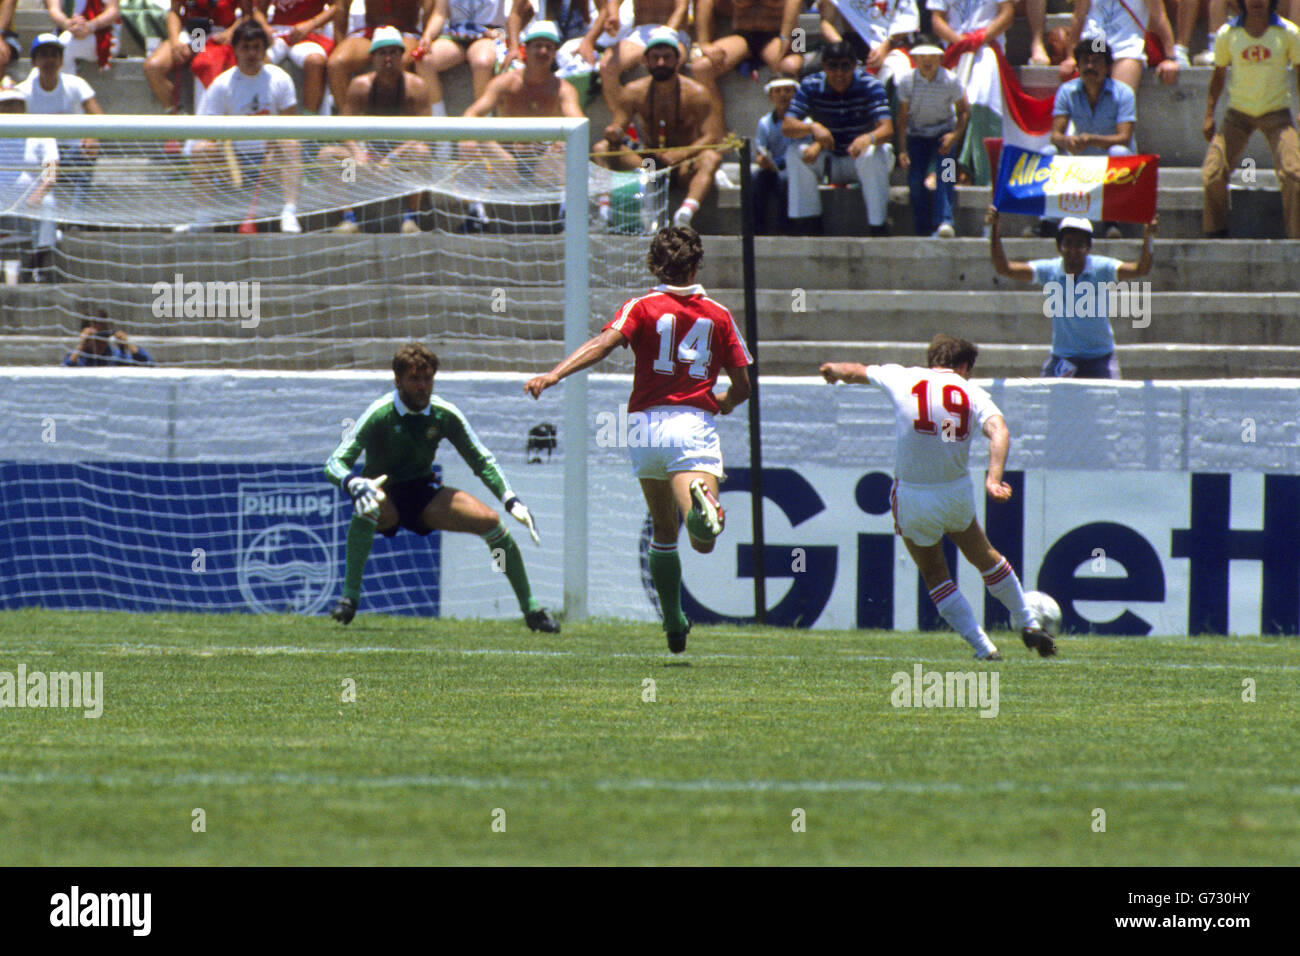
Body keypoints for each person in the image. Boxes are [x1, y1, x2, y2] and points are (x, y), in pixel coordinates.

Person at [524, 226, 751, 653]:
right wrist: (724, 402)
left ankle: (672, 617)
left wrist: (554, 374)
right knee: (703, 540)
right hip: (691, 424)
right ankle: (703, 506)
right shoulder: (719, 315)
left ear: (652, 265)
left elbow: (602, 343)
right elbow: (743, 387)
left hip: (644, 427)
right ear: (698, 265)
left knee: (663, 530)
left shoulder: (641, 306)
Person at [819, 334, 1056, 660]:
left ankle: (983, 647)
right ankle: (1027, 621)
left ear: (934, 360)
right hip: (955, 493)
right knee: (985, 557)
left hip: (913, 495)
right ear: (962, 366)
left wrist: (834, 369)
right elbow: (999, 430)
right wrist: (994, 478)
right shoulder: (972, 392)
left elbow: (856, 370)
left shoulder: (902, 376)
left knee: (935, 574)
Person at [326, 342, 561, 632]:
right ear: (397, 381)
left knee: (491, 522)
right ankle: (349, 599)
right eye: (414, 379)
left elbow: (481, 460)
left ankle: (532, 611)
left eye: (427, 379)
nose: (422, 386)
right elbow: (334, 463)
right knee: (368, 506)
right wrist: (353, 483)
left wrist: (511, 499)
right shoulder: (380, 414)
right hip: (383, 493)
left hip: (424, 494)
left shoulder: (444, 414)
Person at [987, 208, 1157, 378]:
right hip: (1062, 357)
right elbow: (1004, 268)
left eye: (1080, 245)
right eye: (1068, 243)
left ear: (1088, 248)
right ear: (1059, 247)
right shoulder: (1050, 270)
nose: (1073, 250)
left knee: (1111, 400)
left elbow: (1140, 269)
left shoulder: (1102, 268)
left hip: (1100, 358)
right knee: (1044, 401)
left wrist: (1149, 236)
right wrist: (994, 229)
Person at [599, 27, 726, 228]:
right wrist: (613, 132)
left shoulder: (696, 92)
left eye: (667, 57)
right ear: (645, 60)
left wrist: (681, 154)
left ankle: (685, 214)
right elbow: (619, 125)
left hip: (682, 165)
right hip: (648, 164)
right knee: (601, 148)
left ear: (677, 60)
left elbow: (712, 136)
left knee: (711, 158)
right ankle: (603, 211)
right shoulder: (633, 91)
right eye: (655, 57)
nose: (661, 63)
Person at [186, 19, 302, 233]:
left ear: (264, 49)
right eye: (245, 47)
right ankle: (203, 218)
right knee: (201, 150)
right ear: (235, 50)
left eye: (256, 47)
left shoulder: (281, 79)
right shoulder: (221, 84)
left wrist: (273, 148)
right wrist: (231, 163)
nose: (251, 53)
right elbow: (210, 135)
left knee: (290, 144)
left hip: (270, 162)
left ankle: (288, 213)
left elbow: (290, 127)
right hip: (233, 163)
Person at [321, 25, 436, 233]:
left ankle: (411, 217)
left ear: (402, 56)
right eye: (382, 53)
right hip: (363, 168)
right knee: (328, 156)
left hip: (400, 166)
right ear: (373, 58)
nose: (388, 58)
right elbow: (343, 130)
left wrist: (392, 158)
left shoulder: (416, 86)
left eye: (393, 52)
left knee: (422, 153)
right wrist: (358, 155)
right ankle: (349, 218)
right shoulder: (360, 86)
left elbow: (426, 135)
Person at [1201, 0, 1300, 239]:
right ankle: (1216, 234)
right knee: (1212, 173)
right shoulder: (1228, 33)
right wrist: (1208, 114)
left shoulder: (1288, 33)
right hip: (1238, 114)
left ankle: (1296, 238)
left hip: (1276, 113)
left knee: (1294, 174)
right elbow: (1218, 75)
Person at [781, 41, 894, 235]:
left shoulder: (870, 85)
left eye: (845, 66)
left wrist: (868, 138)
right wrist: (812, 128)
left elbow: (887, 129)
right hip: (829, 159)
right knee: (794, 153)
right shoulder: (811, 85)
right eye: (833, 66)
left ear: (854, 66)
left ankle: (878, 226)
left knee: (873, 154)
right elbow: (787, 126)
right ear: (824, 66)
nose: (839, 73)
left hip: (860, 159)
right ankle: (808, 223)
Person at [460, 21, 585, 182]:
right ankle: (474, 205)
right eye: (538, 45)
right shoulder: (505, 83)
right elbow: (473, 112)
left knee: (565, 146)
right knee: (477, 137)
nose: (543, 51)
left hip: (545, 160)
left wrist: (559, 143)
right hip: (505, 157)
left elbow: (579, 124)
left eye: (549, 47)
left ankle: (563, 205)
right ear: (525, 49)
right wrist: (466, 140)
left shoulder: (563, 89)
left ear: (555, 53)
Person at [927, 0, 1013, 186]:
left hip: (987, 46)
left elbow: (1007, 15)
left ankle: (971, 171)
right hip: (955, 47)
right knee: (949, 109)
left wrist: (978, 39)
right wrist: (961, 41)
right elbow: (937, 20)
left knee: (977, 100)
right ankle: (945, 172)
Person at [18, 34, 104, 209]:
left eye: (54, 55)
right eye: (43, 55)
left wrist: (93, 136)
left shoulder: (76, 84)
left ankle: (76, 217)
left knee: (89, 150)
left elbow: (98, 116)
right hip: (41, 156)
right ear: (34, 61)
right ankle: (30, 211)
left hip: (72, 152)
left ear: (61, 60)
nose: (49, 60)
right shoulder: (22, 91)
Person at [896, 36, 969, 237]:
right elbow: (902, 118)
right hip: (917, 135)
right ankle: (922, 229)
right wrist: (902, 149)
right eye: (922, 56)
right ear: (915, 59)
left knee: (947, 175)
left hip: (943, 134)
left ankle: (945, 221)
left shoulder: (951, 80)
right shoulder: (906, 82)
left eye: (932, 56)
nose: (927, 61)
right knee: (915, 180)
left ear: (940, 58)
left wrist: (954, 136)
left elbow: (964, 111)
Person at [143, 0, 257, 111]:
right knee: (153, 67)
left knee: (207, 64)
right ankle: (176, 116)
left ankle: (210, 118)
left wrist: (230, 33)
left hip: (220, 33)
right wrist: (175, 42)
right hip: (194, 31)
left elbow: (247, 15)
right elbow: (174, 12)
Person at [0, 79, 59, 283]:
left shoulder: (40, 130)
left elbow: (52, 170)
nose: (10, 108)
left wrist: (38, 194)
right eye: (5, 104)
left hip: (31, 200)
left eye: (15, 104)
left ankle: (38, 267)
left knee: (49, 203)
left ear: (23, 107)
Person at [1059, 0, 1180, 96]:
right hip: (1096, 44)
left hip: (1127, 45)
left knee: (1119, 102)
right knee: (1089, 109)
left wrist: (1170, 57)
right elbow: (1078, 17)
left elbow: (1159, 17)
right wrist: (1071, 57)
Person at [327, 0, 428, 114]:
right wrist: (340, 43)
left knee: (401, 60)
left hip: (406, 32)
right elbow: (342, 6)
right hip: (371, 31)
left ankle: (399, 118)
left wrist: (427, 37)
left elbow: (431, 8)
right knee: (336, 63)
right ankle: (346, 119)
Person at [689, 0, 803, 93]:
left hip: (781, 34)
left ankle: (791, 118)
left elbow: (796, 5)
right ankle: (711, 120)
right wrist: (703, 43)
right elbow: (704, 2)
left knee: (791, 66)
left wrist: (787, 38)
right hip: (743, 34)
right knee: (701, 68)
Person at [597, 0, 689, 110]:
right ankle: (621, 119)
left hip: (674, 30)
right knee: (607, 65)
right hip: (642, 32)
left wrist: (665, 33)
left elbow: (681, 8)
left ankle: (667, 118)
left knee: (669, 62)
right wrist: (613, 15)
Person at [259, 0, 339, 115]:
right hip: (278, 33)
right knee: (259, 61)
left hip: (310, 32)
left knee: (315, 61)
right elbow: (259, 11)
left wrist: (311, 23)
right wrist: (264, 26)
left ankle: (309, 118)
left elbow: (337, 7)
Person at [818, 0, 919, 87]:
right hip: (853, 45)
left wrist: (886, 46)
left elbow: (907, 20)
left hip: (891, 43)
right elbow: (826, 24)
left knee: (897, 71)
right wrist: (844, 50)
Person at [753, 76, 802, 234]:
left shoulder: (804, 121)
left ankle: (785, 229)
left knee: (785, 179)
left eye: (788, 91)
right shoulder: (764, 123)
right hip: (773, 168)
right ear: (770, 96)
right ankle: (756, 229)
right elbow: (760, 150)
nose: (783, 95)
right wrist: (762, 160)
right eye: (778, 91)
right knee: (755, 179)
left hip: (794, 168)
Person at [42, 0, 121, 72]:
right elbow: (54, 10)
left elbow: (113, 11)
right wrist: (68, 25)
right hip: (66, 29)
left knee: (64, 43)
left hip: (101, 34)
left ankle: (68, 86)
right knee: (51, 46)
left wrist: (89, 27)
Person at [62, 311, 155, 366]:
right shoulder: (78, 357)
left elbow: (149, 365)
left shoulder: (115, 356)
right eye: (96, 338)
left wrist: (128, 345)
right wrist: (81, 345)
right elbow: (63, 374)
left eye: (104, 336)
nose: (100, 342)